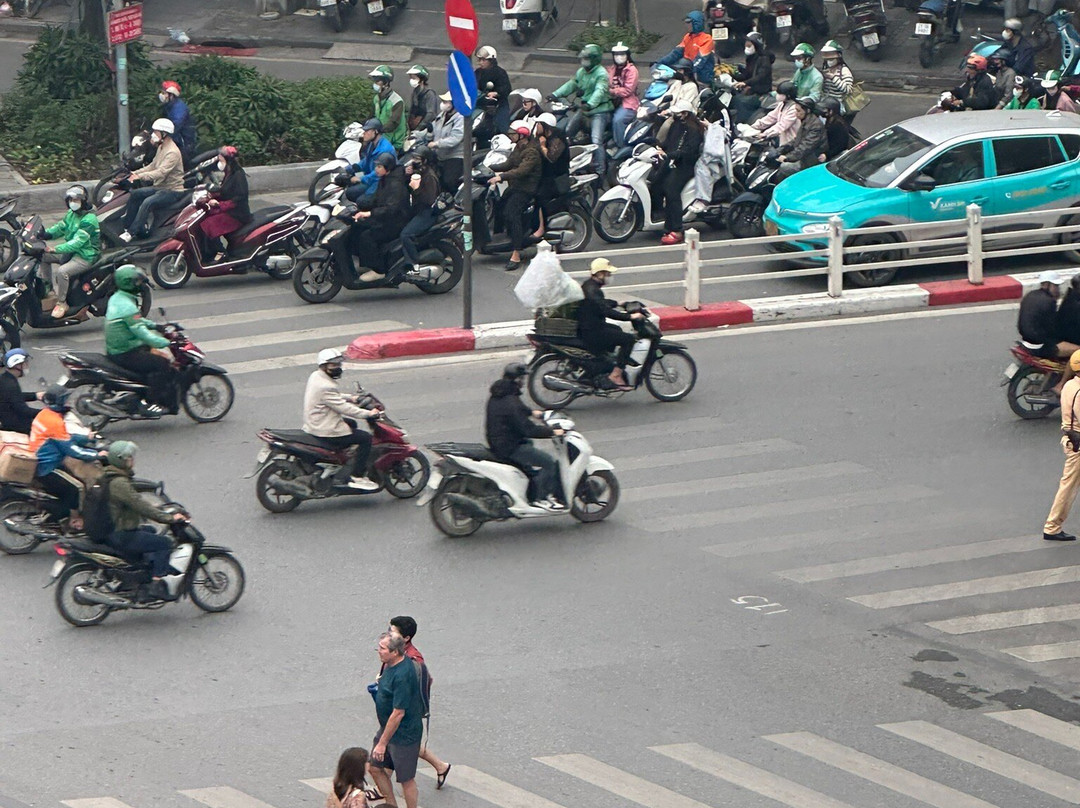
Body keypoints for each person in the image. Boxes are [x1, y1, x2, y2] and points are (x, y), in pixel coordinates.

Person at [98, 440, 188, 600]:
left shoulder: (108, 476)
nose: (132, 460)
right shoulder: (119, 483)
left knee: (150, 530)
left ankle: (143, 571)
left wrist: (158, 508)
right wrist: (169, 518)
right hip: (121, 534)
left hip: (112, 529)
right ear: (122, 460)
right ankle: (156, 584)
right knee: (164, 543)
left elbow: (135, 502)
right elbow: (140, 505)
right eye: (130, 458)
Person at [484, 363, 566, 509]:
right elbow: (529, 429)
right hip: (510, 446)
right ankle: (539, 498)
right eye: (522, 378)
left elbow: (517, 409)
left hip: (500, 441)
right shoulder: (511, 401)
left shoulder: (501, 393)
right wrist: (553, 432)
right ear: (517, 379)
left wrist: (532, 412)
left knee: (529, 445)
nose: (523, 382)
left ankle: (529, 482)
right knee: (549, 463)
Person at [386, 616, 451, 789]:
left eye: (393, 631)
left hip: (403, 710)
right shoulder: (395, 651)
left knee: (392, 743)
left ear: (406, 638)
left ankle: (382, 785)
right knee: (401, 743)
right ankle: (441, 766)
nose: (389, 634)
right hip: (394, 707)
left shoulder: (414, 660)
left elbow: (425, 681)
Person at [302, 348, 381, 491]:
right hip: (325, 429)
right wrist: (368, 414)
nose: (338, 368)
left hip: (316, 421)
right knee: (365, 439)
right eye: (334, 365)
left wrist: (352, 398)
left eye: (339, 364)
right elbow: (344, 408)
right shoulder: (325, 386)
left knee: (351, 424)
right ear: (324, 366)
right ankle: (357, 476)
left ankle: (341, 459)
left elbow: (333, 396)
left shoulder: (316, 376)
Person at [105, 265, 178, 415]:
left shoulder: (118, 298)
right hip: (125, 352)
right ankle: (149, 402)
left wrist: (156, 326)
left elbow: (137, 321)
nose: (139, 285)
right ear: (128, 283)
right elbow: (143, 333)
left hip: (121, 347)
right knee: (161, 364)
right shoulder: (127, 306)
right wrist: (166, 343)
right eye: (136, 282)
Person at [369, 632, 427, 808]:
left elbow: (398, 713)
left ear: (395, 652)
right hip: (388, 729)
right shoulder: (390, 664)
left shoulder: (403, 675)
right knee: (374, 768)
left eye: (382, 648)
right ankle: (391, 805)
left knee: (406, 779)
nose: (378, 651)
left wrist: (382, 743)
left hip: (404, 734)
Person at [29, 385, 98, 531]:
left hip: (45, 460)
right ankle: (74, 521)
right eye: (65, 399)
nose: (68, 402)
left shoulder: (45, 414)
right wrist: (97, 454)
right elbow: (72, 450)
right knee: (77, 488)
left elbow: (65, 438)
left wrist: (86, 438)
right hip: (48, 467)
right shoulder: (55, 422)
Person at [577, 257, 645, 389]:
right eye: (607, 274)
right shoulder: (593, 290)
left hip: (590, 327)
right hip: (593, 331)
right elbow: (606, 311)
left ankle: (602, 366)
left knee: (617, 330)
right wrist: (630, 316)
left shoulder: (589, 286)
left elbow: (600, 303)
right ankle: (616, 375)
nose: (609, 277)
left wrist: (618, 303)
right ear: (600, 274)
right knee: (628, 340)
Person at [118, 118, 185, 243]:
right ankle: (127, 225)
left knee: (147, 202)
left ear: (164, 134)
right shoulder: (162, 147)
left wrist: (140, 177)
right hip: (161, 187)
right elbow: (153, 166)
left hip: (172, 191)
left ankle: (131, 233)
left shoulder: (172, 152)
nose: (153, 134)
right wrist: (135, 173)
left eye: (156, 132)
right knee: (136, 194)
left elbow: (160, 172)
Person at [40, 184, 100, 318]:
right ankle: (48, 289)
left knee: (62, 272)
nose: (73, 203)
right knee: (43, 256)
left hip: (85, 255)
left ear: (83, 201)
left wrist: (55, 249)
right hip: (70, 252)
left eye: (76, 200)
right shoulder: (71, 214)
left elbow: (77, 243)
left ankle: (62, 303)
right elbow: (60, 227)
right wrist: (45, 234)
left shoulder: (89, 220)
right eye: (71, 200)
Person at [552, 44, 613, 176]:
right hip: (584, 109)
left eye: (587, 58)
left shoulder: (601, 74)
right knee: (568, 132)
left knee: (596, 140)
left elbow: (599, 91)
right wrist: (555, 94)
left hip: (599, 111)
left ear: (594, 59)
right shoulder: (581, 72)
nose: (583, 61)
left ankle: (600, 170)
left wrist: (590, 104)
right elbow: (572, 84)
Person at [1018, 271, 1080, 397]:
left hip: (1027, 340)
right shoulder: (1049, 302)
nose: (1058, 290)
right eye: (1055, 286)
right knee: (1077, 352)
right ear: (1047, 285)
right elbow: (1053, 327)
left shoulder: (1031, 295)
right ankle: (1060, 386)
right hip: (1040, 345)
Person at [489, 124, 541, 271]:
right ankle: (501, 237)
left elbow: (521, 171)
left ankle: (516, 253)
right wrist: (488, 167)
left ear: (522, 135)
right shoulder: (518, 147)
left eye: (513, 134)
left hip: (526, 189)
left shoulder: (531, 152)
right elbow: (508, 164)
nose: (510, 136)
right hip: (516, 186)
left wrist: (501, 177)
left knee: (512, 213)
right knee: (499, 205)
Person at [353, 153, 410, 283]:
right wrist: (358, 207)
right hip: (385, 218)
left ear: (387, 167)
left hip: (395, 222)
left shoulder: (395, 184)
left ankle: (379, 271)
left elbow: (391, 209)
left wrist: (370, 213)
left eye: (379, 167)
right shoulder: (385, 179)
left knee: (367, 237)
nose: (376, 169)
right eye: (376, 166)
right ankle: (368, 263)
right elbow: (376, 199)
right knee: (357, 227)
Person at [655, 101, 704, 246]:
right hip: (672, 160)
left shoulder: (694, 130)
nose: (675, 115)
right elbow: (668, 143)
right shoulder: (676, 125)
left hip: (685, 165)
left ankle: (676, 229)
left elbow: (688, 151)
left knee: (671, 189)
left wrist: (671, 155)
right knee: (657, 182)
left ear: (685, 114)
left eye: (678, 113)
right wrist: (658, 147)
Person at [1044, 350, 1080, 541]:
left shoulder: (1069, 385)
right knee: (1068, 487)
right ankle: (1052, 527)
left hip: (1071, 439)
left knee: (1068, 485)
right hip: (1077, 444)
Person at [198, 146, 251, 263]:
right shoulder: (229, 173)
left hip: (237, 214)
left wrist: (219, 204)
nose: (218, 160)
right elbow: (224, 191)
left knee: (209, 225)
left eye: (220, 158)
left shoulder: (238, 175)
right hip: (228, 210)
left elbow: (238, 199)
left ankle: (220, 252)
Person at [398, 147, 441, 279]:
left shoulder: (429, 176)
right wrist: (406, 175)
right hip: (416, 210)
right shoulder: (418, 172)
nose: (414, 161)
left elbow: (428, 200)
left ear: (425, 160)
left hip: (427, 213)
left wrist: (416, 189)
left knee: (406, 234)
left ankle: (413, 264)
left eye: (417, 158)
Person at [533, 113, 570, 234]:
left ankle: (541, 228)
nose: (537, 126)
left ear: (546, 125)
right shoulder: (541, 136)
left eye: (539, 124)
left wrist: (543, 146)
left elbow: (551, 157)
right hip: (544, 174)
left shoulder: (558, 137)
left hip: (556, 177)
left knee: (540, 196)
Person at [345, 119, 397, 203]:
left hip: (380, 182)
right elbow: (365, 161)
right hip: (370, 176)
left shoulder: (384, 149)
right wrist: (353, 168)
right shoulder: (372, 144)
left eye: (367, 131)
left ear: (376, 132)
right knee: (348, 182)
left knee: (357, 198)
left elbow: (377, 174)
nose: (364, 133)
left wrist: (360, 179)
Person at [658, 10, 715, 85]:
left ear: (696, 23)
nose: (686, 25)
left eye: (688, 22)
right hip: (687, 72)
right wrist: (660, 62)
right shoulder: (687, 37)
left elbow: (700, 60)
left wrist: (686, 71)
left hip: (702, 76)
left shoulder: (707, 39)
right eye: (685, 22)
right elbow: (675, 53)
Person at [776, 96, 825, 178]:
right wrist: (780, 150)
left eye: (798, 111)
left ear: (807, 111)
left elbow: (806, 146)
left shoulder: (815, 126)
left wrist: (788, 157)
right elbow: (796, 140)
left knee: (785, 167)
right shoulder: (806, 121)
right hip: (803, 156)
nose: (796, 113)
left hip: (810, 160)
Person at [732, 33, 775, 124]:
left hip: (761, 92)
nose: (746, 47)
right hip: (752, 90)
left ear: (756, 45)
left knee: (740, 101)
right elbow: (747, 75)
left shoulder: (764, 59)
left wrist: (745, 83)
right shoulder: (751, 58)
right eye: (746, 45)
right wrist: (732, 74)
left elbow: (760, 76)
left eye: (749, 45)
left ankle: (745, 122)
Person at [742, 80, 801, 147]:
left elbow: (781, 126)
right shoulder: (782, 104)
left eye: (781, 94)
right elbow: (770, 117)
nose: (778, 95)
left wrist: (765, 134)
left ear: (788, 96)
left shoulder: (794, 109)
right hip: (782, 139)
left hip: (791, 141)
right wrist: (754, 126)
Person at [607, 42, 640, 149]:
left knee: (618, 120)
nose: (619, 57)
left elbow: (628, 90)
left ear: (627, 55)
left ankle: (621, 146)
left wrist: (612, 91)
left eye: (622, 54)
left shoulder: (632, 70)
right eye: (616, 55)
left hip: (628, 104)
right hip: (612, 101)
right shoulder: (612, 69)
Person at [0, 349, 41, 434]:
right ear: (17, 365)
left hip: (7, 421)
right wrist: (46, 412)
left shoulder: (4, 379)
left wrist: (36, 395)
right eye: (25, 363)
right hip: (17, 428)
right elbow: (23, 410)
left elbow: (14, 397)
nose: (27, 365)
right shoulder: (11, 385)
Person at [430, 93, 464, 193]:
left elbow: (455, 138)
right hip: (440, 154)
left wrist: (437, 144)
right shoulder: (441, 115)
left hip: (455, 156)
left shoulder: (461, 118)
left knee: (449, 182)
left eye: (446, 102)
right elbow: (432, 129)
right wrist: (417, 135)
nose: (443, 104)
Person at [475, 46, 512, 135]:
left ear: (491, 61)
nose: (481, 63)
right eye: (479, 60)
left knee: (501, 126)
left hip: (498, 104)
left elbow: (506, 88)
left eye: (484, 60)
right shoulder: (478, 72)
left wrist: (496, 93)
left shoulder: (500, 73)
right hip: (482, 102)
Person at [158, 80, 198, 164]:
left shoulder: (179, 108)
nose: (162, 95)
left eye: (164, 93)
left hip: (183, 144)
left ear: (171, 95)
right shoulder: (168, 106)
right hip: (174, 142)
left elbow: (175, 126)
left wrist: (161, 135)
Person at [370, 65, 408, 151]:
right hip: (380, 139)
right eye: (374, 81)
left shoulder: (397, 101)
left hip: (394, 143)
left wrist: (378, 130)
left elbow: (393, 123)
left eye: (377, 81)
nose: (375, 83)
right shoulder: (377, 98)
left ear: (386, 83)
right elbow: (372, 116)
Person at [819, 41, 855, 122]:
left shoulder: (844, 71)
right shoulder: (826, 69)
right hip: (824, 102)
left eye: (831, 59)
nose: (829, 61)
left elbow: (848, 90)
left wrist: (833, 78)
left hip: (837, 105)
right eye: (827, 59)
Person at [405, 65, 438, 132]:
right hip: (414, 126)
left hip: (425, 129)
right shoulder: (415, 92)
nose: (411, 80)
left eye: (414, 78)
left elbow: (431, 114)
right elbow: (413, 109)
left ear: (422, 80)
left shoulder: (429, 94)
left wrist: (419, 128)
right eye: (411, 78)